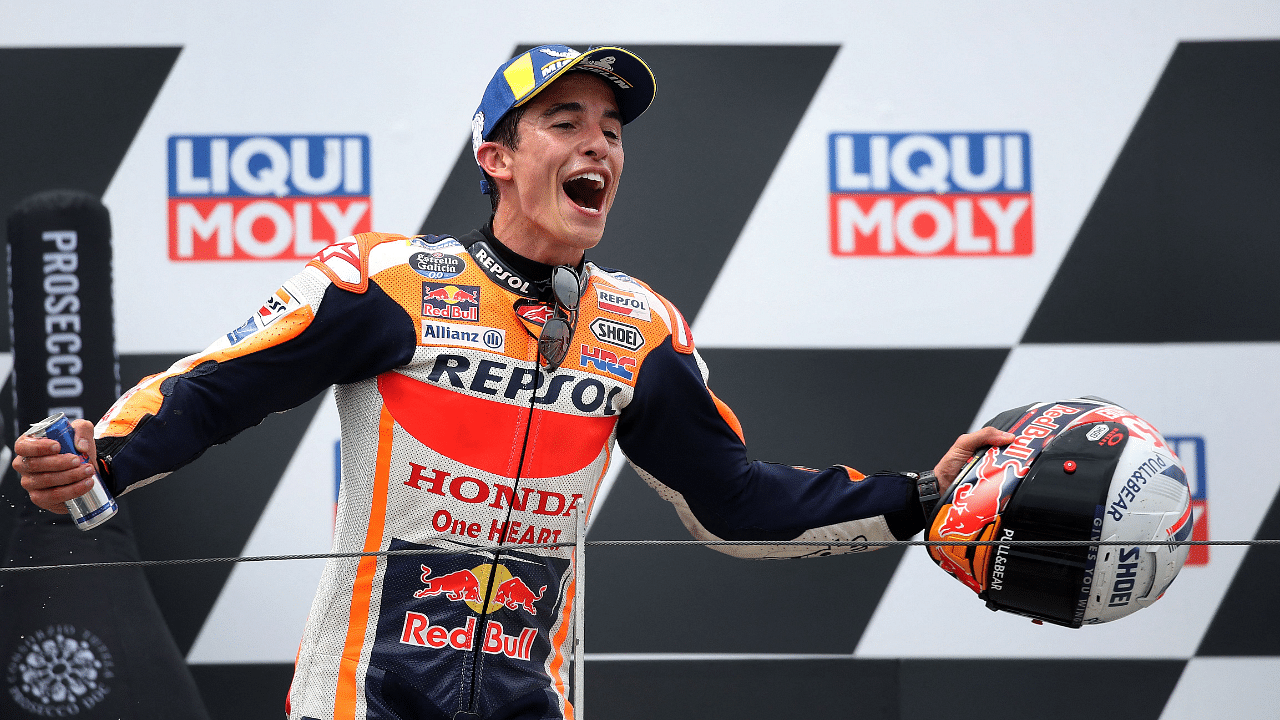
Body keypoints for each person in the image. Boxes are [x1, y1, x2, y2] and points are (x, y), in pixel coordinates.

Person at [14, 45, 1013, 720]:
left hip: (533, 702)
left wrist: (918, 500)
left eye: (611, 132)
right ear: (497, 158)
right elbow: (210, 392)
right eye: (565, 122)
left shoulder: (636, 328)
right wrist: (94, 457)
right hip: (363, 699)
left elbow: (736, 503)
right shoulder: (387, 283)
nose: (598, 144)